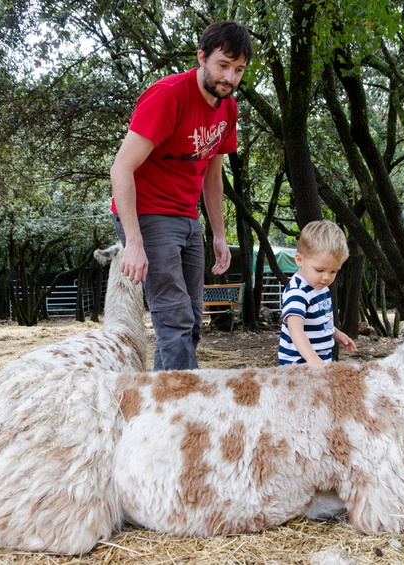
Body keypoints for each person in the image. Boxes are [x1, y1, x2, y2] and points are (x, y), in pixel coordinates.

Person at [109, 21, 254, 371]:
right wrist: (134, 243)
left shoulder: (228, 108)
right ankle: (186, 396)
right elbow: (121, 169)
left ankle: (164, 392)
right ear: (202, 58)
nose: (230, 78)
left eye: (239, 70)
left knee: (191, 316)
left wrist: (219, 235)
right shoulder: (168, 95)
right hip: (148, 212)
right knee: (173, 317)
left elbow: (213, 178)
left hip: (187, 216)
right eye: (223, 65)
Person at [278, 221, 357, 367]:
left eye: (333, 271)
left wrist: (336, 333)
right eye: (320, 270)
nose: (326, 277)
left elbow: (321, 321)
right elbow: (295, 330)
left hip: (321, 360)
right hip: (298, 365)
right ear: (299, 260)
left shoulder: (321, 287)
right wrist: (312, 359)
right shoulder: (297, 292)